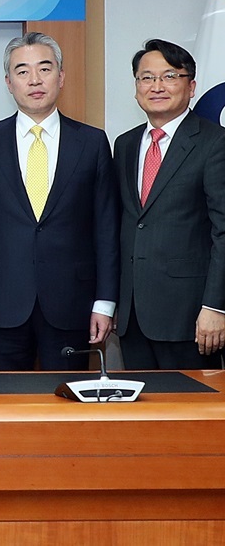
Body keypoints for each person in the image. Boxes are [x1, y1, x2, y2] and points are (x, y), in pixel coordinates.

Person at [0, 32, 119, 370]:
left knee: (71, 409)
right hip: (1, 303)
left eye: (45, 68)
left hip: (74, 304)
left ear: (61, 76)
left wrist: (105, 302)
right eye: (22, 71)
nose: (35, 80)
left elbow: (106, 228)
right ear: (8, 83)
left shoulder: (92, 142)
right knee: (5, 408)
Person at [115, 38, 225, 369]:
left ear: (191, 86)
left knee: (188, 417)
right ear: (136, 87)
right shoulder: (125, 144)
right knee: (139, 415)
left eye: (169, 76)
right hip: (133, 316)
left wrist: (216, 307)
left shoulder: (214, 143)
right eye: (146, 77)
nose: (157, 86)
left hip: (190, 317)